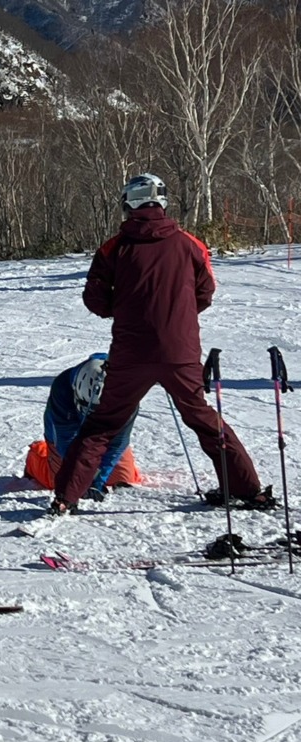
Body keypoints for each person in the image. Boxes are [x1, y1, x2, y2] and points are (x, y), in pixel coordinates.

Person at [50, 174, 274, 515]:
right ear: (162, 202)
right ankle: (249, 490)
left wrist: (126, 310)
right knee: (203, 419)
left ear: (128, 204)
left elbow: (95, 299)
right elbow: (205, 292)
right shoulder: (189, 244)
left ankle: (66, 498)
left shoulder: (113, 248)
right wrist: (175, 317)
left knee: (103, 424)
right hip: (179, 351)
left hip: (131, 353)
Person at [24, 353, 142, 501]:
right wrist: (84, 477)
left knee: (122, 477)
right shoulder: (62, 387)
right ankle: (38, 454)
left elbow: (118, 441)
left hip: (106, 437)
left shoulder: (128, 394)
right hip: (69, 435)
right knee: (60, 481)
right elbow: (66, 439)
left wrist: (97, 480)